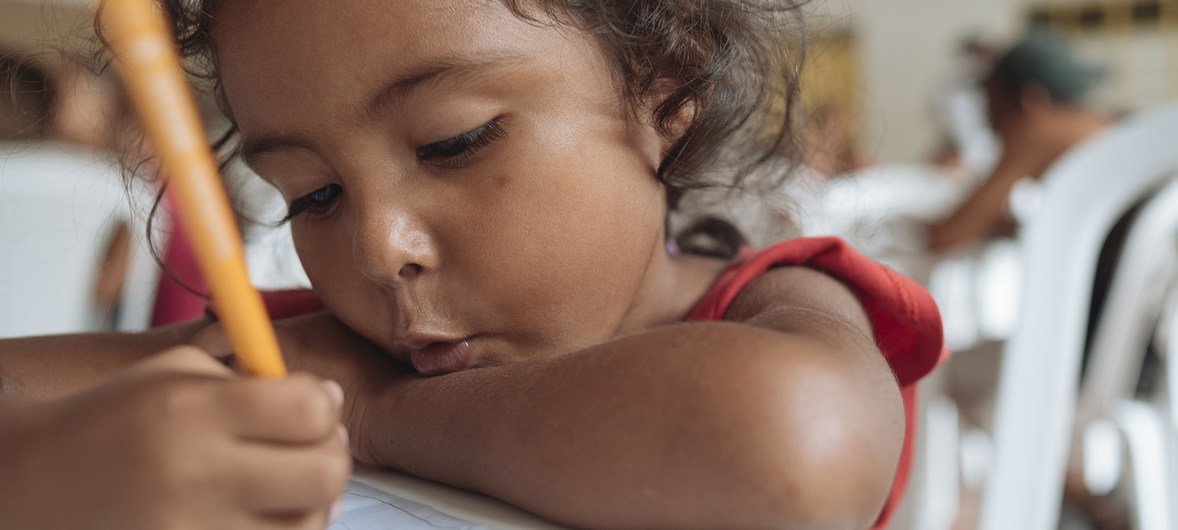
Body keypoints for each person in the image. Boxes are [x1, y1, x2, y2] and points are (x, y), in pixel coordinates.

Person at [0, 1, 947, 528]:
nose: (379, 251)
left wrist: (374, 414)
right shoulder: (327, 348)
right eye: (311, 195)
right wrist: (49, 466)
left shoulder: (774, 304)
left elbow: (796, 445)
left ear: (661, 93)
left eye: (455, 142)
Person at [925, 33, 1112, 252]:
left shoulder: (1042, 127)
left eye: (990, 96)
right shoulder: (1096, 124)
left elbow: (947, 235)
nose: (986, 111)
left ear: (1027, 99)